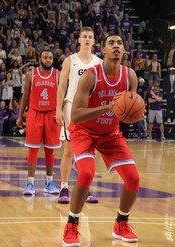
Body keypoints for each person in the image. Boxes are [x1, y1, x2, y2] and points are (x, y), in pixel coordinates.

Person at [62, 34, 140, 247]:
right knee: (86, 172)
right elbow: (76, 114)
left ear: (124, 50)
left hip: (110, 134)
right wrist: (108, 107)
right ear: (103, 51)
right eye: (111, 43)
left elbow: (130, 109)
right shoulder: (90, 75)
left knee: (133, 178)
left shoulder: (129, 76)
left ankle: (121, 223)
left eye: (120, 43)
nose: (116, 46)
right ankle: (71, 224)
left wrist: (132, 112)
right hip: (83, 131)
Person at [56, 27, 101, 204]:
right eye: (85, 37)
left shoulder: (98, 62)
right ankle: (64, 187)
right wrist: (58, 109)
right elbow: (61, 86)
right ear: (79, 40)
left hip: (91, 110)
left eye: (90, 37)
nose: (88, 39)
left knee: (89, 151)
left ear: (94, 41)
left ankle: (86, 187)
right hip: (71, 108)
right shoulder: (70, 60)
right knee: (69, 150)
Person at [16, 50, 61, 195]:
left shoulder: (58, 74)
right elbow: (25, 95)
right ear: (40, 59)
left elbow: (63, 95)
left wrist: (61, 112)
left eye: (50, 58)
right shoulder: (31, 74)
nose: (48, 60)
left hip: (52, 114)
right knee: (33, 149)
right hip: (35, 113)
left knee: (50, 150)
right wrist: (20, 116)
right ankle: (30, 183)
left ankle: (49, 182)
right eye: (45, 57)